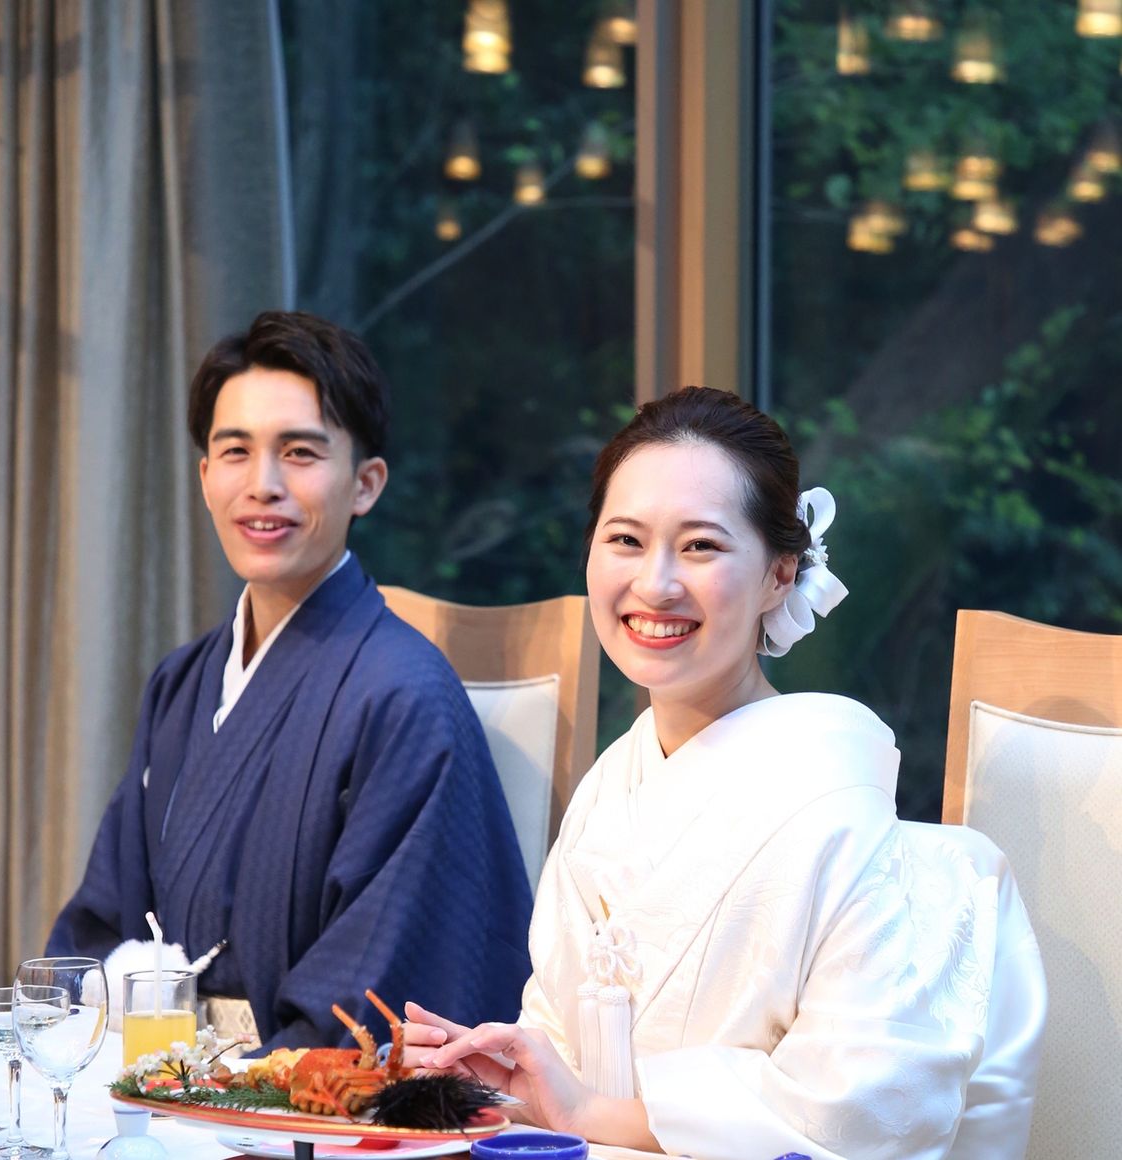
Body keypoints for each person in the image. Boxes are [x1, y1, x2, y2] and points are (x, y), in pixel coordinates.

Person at [406, 387, 1046, 1159]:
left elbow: (854, 1115)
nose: (655, 584)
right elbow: (561, 1044)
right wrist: (513, 1076)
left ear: (780, 574)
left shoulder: (837, 806)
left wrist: (589, 1112)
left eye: (701, 547)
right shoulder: (614, 784)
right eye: (625, 539)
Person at [47, 310, 533, 1051]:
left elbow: (381, 990)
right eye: (234, 452)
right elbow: (100, 927)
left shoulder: (406, 699)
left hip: (289, 1097)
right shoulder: (180, 685)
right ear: (205, 478)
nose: (263, 485)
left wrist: (229, 1082)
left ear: (365, 484)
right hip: (158, 1078)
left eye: (300, 452)